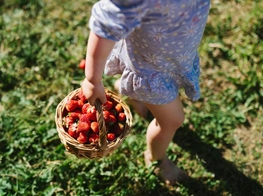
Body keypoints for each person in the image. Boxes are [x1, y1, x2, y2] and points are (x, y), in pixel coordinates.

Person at [81, 0, 211, 185]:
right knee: (172, 121)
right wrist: (93, 80)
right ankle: (156, 158)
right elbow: (105, 24)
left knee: (168, 115)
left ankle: (131, 94)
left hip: (173, 57)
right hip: (150, 72)